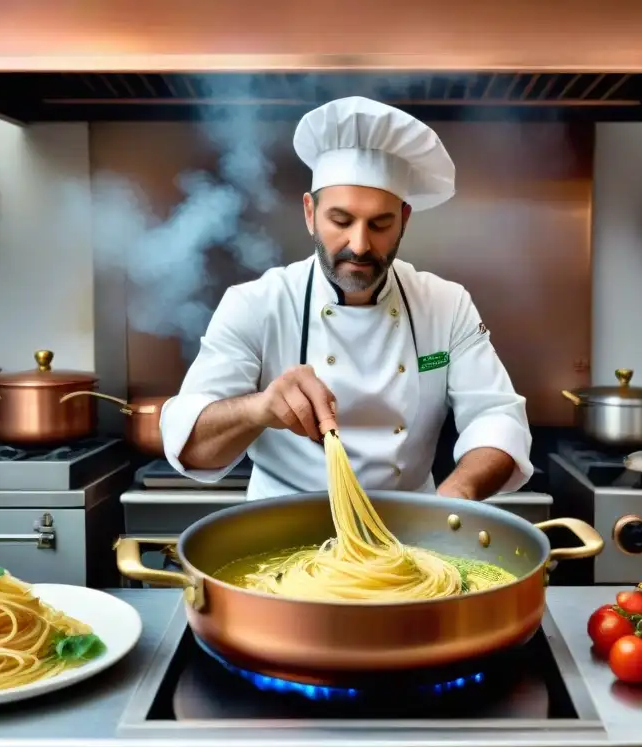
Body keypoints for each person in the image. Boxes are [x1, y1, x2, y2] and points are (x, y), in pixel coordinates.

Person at [160, 96, 533, 501]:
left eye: (380, 223)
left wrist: (459, 491)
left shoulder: (446, 305)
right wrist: (260, 408)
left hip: (408, 536)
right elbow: (191, 445)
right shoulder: (256, 304)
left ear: (404, 219)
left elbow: (497, 416)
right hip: (282, 536)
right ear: (309, 213)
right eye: (340, 220)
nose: (359, 244)